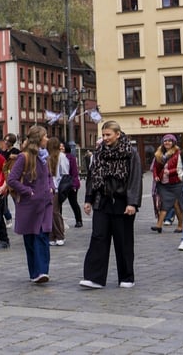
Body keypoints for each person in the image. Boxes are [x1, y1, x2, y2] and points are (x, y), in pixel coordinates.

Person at [80, 120, 142, 289]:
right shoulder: (99, 152)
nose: (105, 138)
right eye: (103, 135)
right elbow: (92, 177)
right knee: (98, 237)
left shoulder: (130, 153)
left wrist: (132, 203)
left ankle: (127, 276)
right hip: (102, 201)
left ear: (118, 134)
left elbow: (135, 178)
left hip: (122, 202)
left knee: (123, 241)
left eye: (108, 135)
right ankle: (94, 278)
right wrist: (88, 199)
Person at [8, 126, 54, 283]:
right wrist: (28, 191)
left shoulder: (45, 156)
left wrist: (51, 187)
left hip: (45, 203)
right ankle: (35, 273)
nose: (47, 139)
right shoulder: (24, 157)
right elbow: (12, 180)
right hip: (29, 205)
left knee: (42, 235)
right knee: (30, 237)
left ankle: (43, 271)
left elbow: (48, 176)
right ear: (38, 139)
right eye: (45, 136)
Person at [151, 134, 183, 234]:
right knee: (164, 203)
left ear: (173, 142)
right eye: (165, 141)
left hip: (175, 182)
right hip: (163, 183)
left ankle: (180, 225)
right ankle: (159, 225)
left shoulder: (178, 153)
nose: (167, 142)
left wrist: (171, 171)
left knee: (176, 204)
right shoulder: (159, 154)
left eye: (169, 141)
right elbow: (155, 167)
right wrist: (156, 176)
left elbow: (181, 167)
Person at [46, 137, 68, 246]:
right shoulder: (47, 156)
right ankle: (51, 235)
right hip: (48, 188)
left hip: (57, 188)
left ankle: (60, 235)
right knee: (48, 212)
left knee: (55, 212)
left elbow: (65, 172)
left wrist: (59, 186)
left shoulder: (61, 156)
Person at [62, 142, 83, 229]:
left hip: (71, 182)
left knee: (73, 202)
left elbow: (74, 172)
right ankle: (60, 222)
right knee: (58, 204)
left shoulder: (71, 158)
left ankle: (79, 220)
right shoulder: (56, 157)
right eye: (59, 147)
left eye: (62, 147)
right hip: (61, 183)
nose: (61, 148)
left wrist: (74, 185)